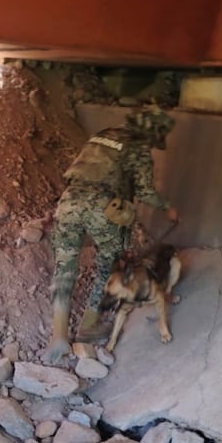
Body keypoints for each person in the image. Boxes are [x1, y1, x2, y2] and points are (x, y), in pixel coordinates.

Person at [43, 105, 178, 363]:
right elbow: (146, 191)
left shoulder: (102, 135)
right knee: (107, 266)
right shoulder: (138, 148)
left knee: (65, 269)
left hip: (69, 202)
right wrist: (167, 207)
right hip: (103, 208)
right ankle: (87, 330)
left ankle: (58, 336)